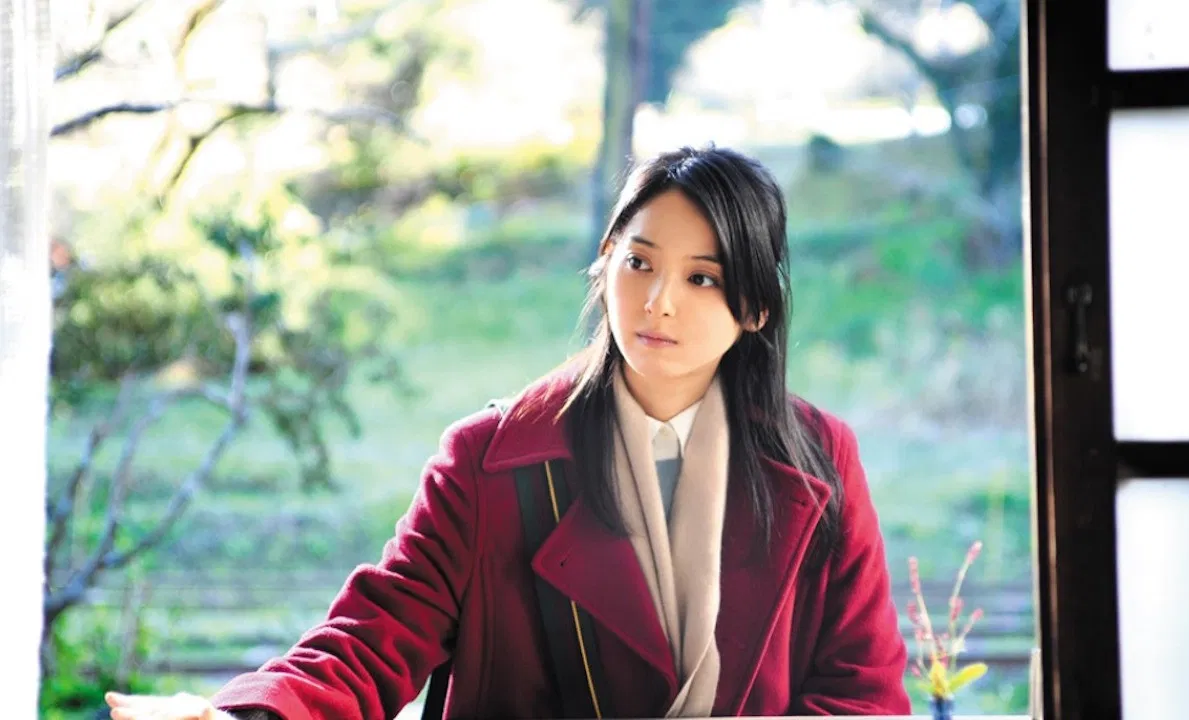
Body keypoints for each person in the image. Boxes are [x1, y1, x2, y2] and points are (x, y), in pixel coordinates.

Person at [105, 146, 910, 720]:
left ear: (756, 307)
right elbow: (372, 640)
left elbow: (863, 694)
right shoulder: (491, 459)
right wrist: (243, 715)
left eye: (703, 278)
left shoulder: (818, 463)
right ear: (604, 261)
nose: (659, 301)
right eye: (639, 263)